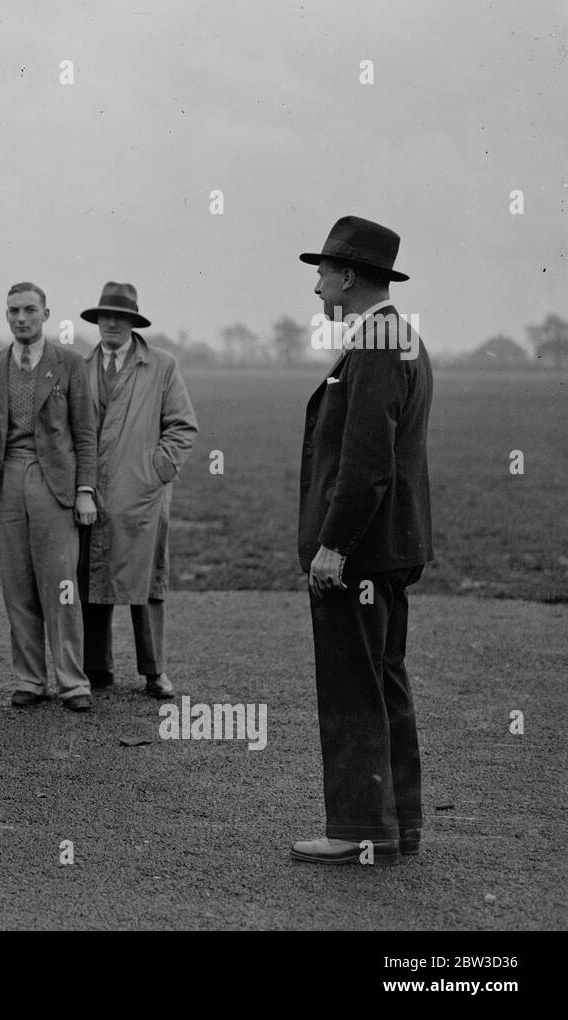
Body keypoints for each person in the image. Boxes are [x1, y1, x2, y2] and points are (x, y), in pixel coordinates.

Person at [291, 215, 433, 865]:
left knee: (353, 685)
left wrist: (334, 546)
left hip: (364, 553)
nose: (317, 286)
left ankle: (357, 830)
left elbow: (367, 462)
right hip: (393, 546)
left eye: (321, 273)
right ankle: (398, 823)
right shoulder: (402, 338)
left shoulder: (377, 344)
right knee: (384, 682)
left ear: (348, 277)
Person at [0, 282, 97, 711]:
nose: (21, 318)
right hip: (7, 480)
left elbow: (84, 433)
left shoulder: (69, 363)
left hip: (55, 484)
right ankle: (29, 679)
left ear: (46, 314)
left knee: (61, 585)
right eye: (13, 311)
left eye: (29, 310)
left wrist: (85, 491)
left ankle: (72, 682)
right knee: (18, 586)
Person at [77, 282, 197, 699]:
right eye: (104, 316)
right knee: (92, 579)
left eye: (120, 316)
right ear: (96, 321)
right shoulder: (82, 367)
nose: (111, 323)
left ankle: (154, 671)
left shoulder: (161, 366)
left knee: (146, 585)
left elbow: (183, 427)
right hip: (92, 493)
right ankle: (96, 668)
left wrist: (154, 472)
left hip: (142, 495)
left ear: (132, 322)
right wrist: (83, 485)